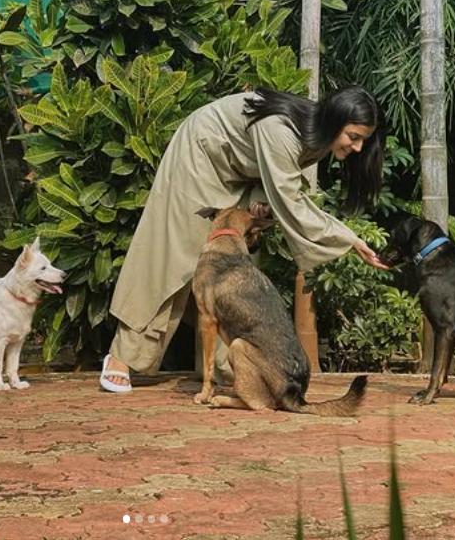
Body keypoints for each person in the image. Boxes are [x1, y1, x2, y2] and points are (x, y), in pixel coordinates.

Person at [100, 86, 389, 393]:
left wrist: (260, 201)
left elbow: (277, 181)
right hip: (200, 156)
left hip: (238, 172)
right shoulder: (283, 130)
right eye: (353, 136)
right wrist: (349, 239)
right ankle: (123, 356)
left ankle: (227, 366)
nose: (358, 148)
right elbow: (291, 201)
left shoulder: (317, 137)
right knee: (173, 257)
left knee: (235, 268)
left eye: (363, 140)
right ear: (334, 122)